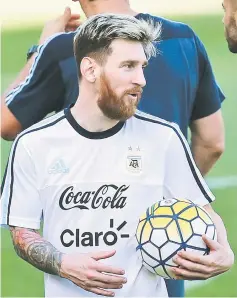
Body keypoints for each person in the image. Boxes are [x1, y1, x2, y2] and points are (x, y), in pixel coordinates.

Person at [0, 0, 226, 296]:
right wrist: (64, 264)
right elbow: (22, 233)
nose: (141, 80)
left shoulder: (165, 138)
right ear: (90, 70)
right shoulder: (34, 144)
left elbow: (204, 211)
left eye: (143, 66)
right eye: (129, 66)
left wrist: (225, 253)